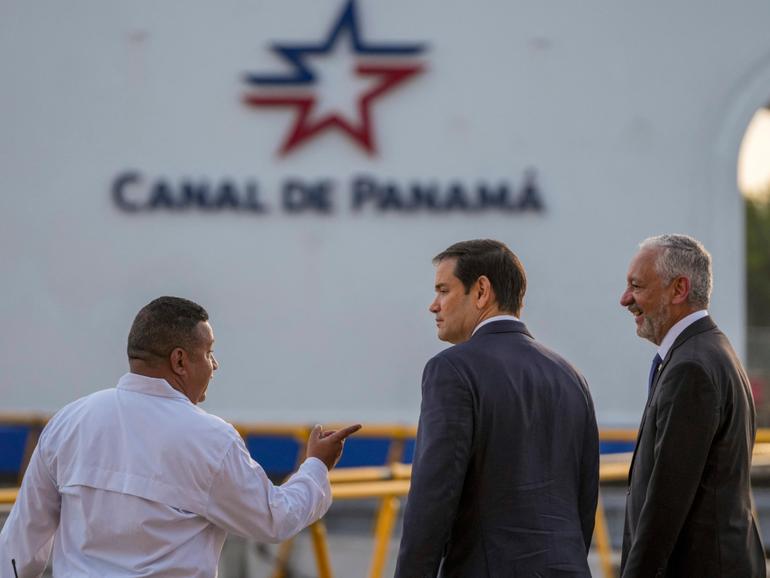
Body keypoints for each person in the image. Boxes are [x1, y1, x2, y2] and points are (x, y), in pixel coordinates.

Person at [0, 296, 361, 578]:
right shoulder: (210, 439)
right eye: (209, 352)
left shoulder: (69, 422)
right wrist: (316, 465)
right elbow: (273, 519)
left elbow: (20, 547)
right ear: (180, 361)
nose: (215, 365)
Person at [395, 239, 599, 578]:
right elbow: (584, 496)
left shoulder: (452, 369)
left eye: (444, 290)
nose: (434, 305)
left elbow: (433, 497)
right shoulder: (571, 376)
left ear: (481, 291)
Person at [619, 234, 765, 578]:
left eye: (636, 286)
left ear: (679, 289)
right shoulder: (709, 350)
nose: (625, 299)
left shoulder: (691, 367)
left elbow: (666, 504)